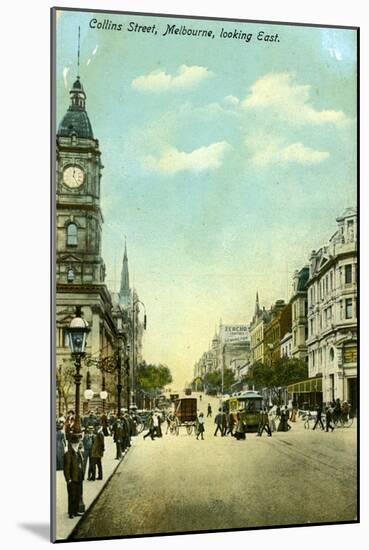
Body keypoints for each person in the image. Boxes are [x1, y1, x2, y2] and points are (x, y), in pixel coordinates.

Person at [63, 433, 84, 519]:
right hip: (72, 479)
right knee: (72, 496)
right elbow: (66, 468)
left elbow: (81, 464)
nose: (76, 445)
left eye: (77, 443)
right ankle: (71, 513)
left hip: (79, 478)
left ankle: (75, 511)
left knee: (78, 495)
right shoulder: (68, 454)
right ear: (71, 444)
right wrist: (68, 479)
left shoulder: (78, 453)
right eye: (74, 444)